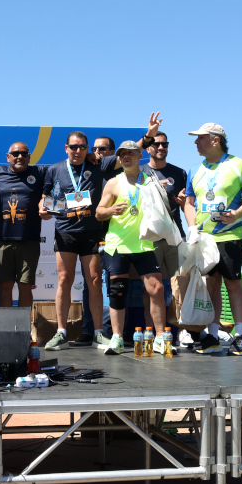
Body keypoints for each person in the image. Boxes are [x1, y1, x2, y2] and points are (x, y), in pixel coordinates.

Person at [40, 117, 162, 351]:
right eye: (73, 147)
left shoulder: (98, 164)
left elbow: (129, 153)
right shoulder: (54, 169)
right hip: (65, 231)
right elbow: (46, 198)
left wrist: (148, 136)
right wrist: (41, 209)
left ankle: (98, 333)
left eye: (82, 147)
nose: (77, 151)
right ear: (66, 148)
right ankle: (62, 332)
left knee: (95, 281)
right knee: (64, 280)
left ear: (88, 149)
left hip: (91, 231)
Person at [184, 123, 242, 355]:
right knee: (211, 285)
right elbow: (189, 201)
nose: (196, 142)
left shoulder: (239, 164)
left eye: (200, 138)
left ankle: (241, 337)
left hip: (230, 235)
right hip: (204, 239)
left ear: (215, 140)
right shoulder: (195, 170)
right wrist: (192, 226)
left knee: (233, 284)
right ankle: (212, 337)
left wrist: (236, 213)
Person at [95, 140, 168, 354]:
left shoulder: (150, 180)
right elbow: (98, 212)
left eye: (131, 153)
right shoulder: (113, 183)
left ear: (139, 156)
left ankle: (161, 337)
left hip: (144, 244)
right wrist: (110, 211)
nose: (127, 157)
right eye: (123, 154)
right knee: (117, 292)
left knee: (157, 289)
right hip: (118, 245)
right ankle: (117, 338)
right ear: (119, 158)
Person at [0, 143, 46, 310]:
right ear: (8, 156)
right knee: (5, 286)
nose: (20, 157)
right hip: (4, 241)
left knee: (25, 286)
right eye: (16, 153)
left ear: (29, 156)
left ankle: (23, 331)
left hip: (29, 240)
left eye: (24, 154)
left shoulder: (39, 173)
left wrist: (90, 157)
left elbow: (63, 169)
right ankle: (6, 332)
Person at [139, 131, 188, 338]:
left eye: (165, 144)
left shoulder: (179, 173)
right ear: (148, 147)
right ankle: (150, 330)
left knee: (181, 283)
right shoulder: (139, 172)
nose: (161, 148)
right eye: (156, 144)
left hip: (175, 236)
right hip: (150, 237)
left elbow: (188, 205)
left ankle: (184, 330)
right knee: (152, 287)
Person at [76, 136, 118, 344]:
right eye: (94, 149)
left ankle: (113, 330)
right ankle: (89, 330)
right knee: (90, 282)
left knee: (115, 282)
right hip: (92, 232)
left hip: (117, 233)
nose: (97, 152)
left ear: (112, 151)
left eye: (102, 149)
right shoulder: (89, 167)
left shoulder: (122, 173)